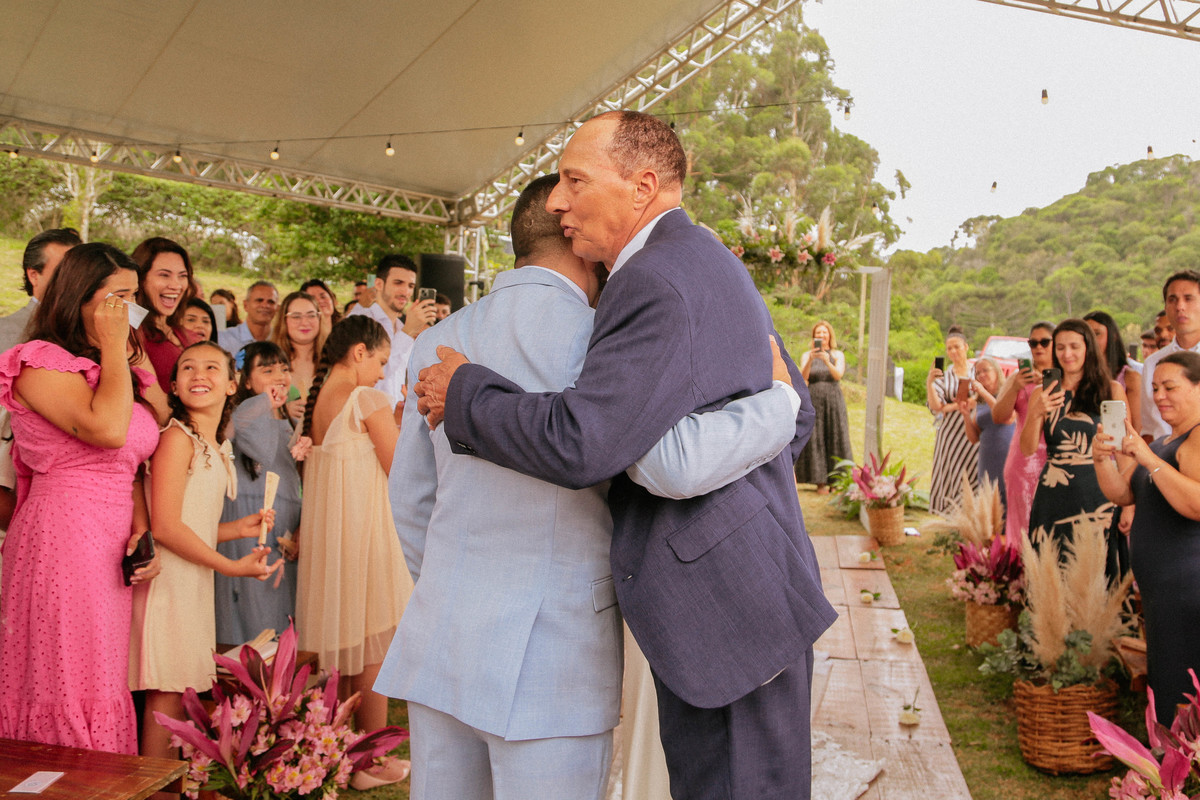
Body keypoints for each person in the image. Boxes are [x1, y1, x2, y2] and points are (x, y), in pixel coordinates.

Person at [413, 111, 836, 800]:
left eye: (574, 180)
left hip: (727, 616)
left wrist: (466, 393)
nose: (557, 201)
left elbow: (588, 441)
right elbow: (792, 416)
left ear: (642, 187)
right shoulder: (702, 259)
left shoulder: (655, 278)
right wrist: (755, 423)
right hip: (737, 605)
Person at [0, 242, 161, 754]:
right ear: (79, 296)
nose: (131, 310)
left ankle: (101, 778)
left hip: (112, 541)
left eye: (134, 297)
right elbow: (109, 431)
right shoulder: (40, 363)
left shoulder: (115, 367)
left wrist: (142, 532)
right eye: (119, 297)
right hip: (63, 536)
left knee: (98, 676)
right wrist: (115, 347)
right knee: (64, 676)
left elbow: (137, 452)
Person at [130, 341, 277, 764]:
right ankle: (156, 791)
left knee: (178, 696)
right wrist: (230, 566)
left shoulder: (212, 444)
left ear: (232, 384)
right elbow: (166, 527)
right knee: (166, 698)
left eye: (212, 367)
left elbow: (190, 524)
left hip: (191, 582)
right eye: (188, 368)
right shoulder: (178, 439)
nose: (199, 374)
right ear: (173, 385)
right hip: (167, 584)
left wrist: (236, 529)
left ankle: (169, 787)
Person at [296, 316, 412, 789]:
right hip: (366, 534)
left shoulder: (319, 403)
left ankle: (339, 752)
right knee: (374, 650)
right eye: (381, 361)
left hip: (334, 539)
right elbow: (400, 468)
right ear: (359, 352)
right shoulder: (366, 399)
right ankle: (370, 761)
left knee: (347, 652)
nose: (383, 373)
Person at [1095, 351, 1200, 725]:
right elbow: (1123, 493)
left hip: (1187, 588)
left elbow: (1196, 504)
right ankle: (1169, 753)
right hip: (1161, 591)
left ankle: (1182, 755)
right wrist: (1101, 459)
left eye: (1170, 387)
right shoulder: (1160, 443)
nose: (1159, 396)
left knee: (1182, 683)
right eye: (1155, 388)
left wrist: (1149, 459)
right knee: (1167, 676)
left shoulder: (1196, 438)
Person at [1022, 319, 1127, 577]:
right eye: (1060, 348)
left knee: (1099, 575)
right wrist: (1036, 412)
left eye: (1074, 347)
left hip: (1100, 492)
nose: (1067, 354)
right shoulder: (1042, 393)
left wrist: (1129, 504)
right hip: (1054, 496)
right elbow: (1027, 448)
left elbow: (1124, 451)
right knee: (1052, 574)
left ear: (1088, 348)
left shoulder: (1111, 390)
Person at [215, 341, 301, 646]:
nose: (279, 375)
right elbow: (256, 443)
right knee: (249, 604)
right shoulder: (240, 414)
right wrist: (268, 401)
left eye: (284, 368)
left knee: (282, 605)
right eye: (267, 370)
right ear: (246, 381)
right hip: (248, 520)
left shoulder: (292, 419)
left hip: (285, 524)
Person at [347, 255, 437, 411]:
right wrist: (408, 332)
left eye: (410, 286)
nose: (405, 291)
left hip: (395, 416)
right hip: (364, 414)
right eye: (398, 283)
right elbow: (369, 373)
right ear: (379, 284)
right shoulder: (360, 320)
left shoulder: (402, 327)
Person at [993, 321, 1056, 539]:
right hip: (1023, 459)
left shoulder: (1066, 377)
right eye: (1033, 343)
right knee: (1021, 525)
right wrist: (1015, 387)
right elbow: (999, 416)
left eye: (1044, 342)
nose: (1038, 347)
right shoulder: (1018, 377)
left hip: (1056, 459)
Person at [131, 237, 200, 391]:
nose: (176, 285)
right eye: (164, 275)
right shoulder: (131, 333)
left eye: (182, 276)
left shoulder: (183, 333)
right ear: (141, 279)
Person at [794, 320, 852, 494]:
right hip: (814, 399)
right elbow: (803, 378)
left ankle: (836, 480)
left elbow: (838, 375)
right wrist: (811, 360)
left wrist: (827, 361)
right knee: (816, 437)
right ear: (814, 337)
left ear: (829, 335)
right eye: (818, 333)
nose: (821, 335)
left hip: (833, 399)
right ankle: (819, 481)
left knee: (836, 435)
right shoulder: (807, 355)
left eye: (824, 333)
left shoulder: (837, 354)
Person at [0, 228, 81, 353]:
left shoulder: (95, 327)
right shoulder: (5, 331)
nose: (74, 279)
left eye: (79, 271)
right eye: (62, 272)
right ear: (34, 276)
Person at [926, 326, 979, 516]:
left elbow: (987, 393)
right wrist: (929, 382)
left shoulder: (977, 371)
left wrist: (954, 406)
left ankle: (972, 514)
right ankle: (948, 513)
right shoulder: (945, 375)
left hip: (973, 430)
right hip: (950, 434)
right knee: (950, 471)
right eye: (949, 348)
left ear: (966, 347)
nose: (953, 351)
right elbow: (936, 406)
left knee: (974, 471)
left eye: (957, 347)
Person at [1143, 273, 1200, 442]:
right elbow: (1149, 427)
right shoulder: (1153, 363)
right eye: (1172, 300)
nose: (1180, 306)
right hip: (1162, 453)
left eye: (1188, 299)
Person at [961, 356, 1014, 500]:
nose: (981, 375)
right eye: (978, 373)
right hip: (987, 458)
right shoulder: (980, 401)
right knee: (987, 500)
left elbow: (1006, 416)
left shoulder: (1007, 393)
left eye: (985, 370)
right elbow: (974, 438)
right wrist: (966, 415)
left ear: (997, 371)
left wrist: (983, 392)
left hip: (1006, 455)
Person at [1085, 310, 1143, 434]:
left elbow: (1137, 428)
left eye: (1097, 334)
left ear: (1113, 336)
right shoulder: (1077, 377)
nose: (1091, 340)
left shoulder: (1130, 377)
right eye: (1086, 335)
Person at [271, 291, 325, 422]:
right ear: (284, 320)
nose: (305, 322)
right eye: (296, 316)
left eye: (311, 315)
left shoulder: (334, 361)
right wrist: (281, 412)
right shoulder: (268, 362)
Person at [218, 281, 278, 353]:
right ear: (245, 305)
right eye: (259, 300)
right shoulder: (223, 339)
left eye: (271, 302)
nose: (265, 305)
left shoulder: (282, 341)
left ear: (277, 308)